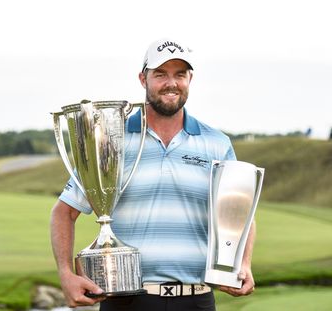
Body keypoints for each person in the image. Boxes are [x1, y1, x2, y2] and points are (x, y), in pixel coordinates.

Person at [50, 38, 256, 311]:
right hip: (126, 300)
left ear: (190, 79)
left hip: (196, 300)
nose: (171, 83)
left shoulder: (216, 143)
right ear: (142, 79)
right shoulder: (112, 139)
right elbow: (64, 212)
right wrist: (66, 274)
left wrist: (242, 264)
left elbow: (240, 213)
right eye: (160, 74)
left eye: (179, 74)